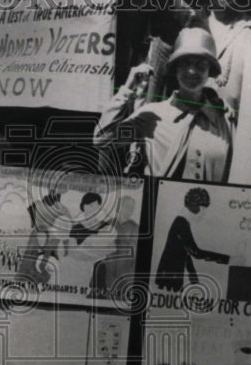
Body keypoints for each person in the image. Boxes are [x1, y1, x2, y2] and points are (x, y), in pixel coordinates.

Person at [94, 26, 233, 182]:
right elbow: (103, 140)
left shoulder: (223, 119)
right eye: (185, 64)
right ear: (175, 68)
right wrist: (127, 89)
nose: (192, 71)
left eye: (200, 65)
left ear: (210, 71)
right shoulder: (152, 117)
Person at [153, 187, 229, 292]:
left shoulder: (182, 221)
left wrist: (195, 282)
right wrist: (228, 259)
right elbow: (195, 252)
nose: (203, 214)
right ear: (194, 206)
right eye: (203, 210)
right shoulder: (182, 223)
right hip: (171, 277)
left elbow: (186, 254)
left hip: (169, 276)